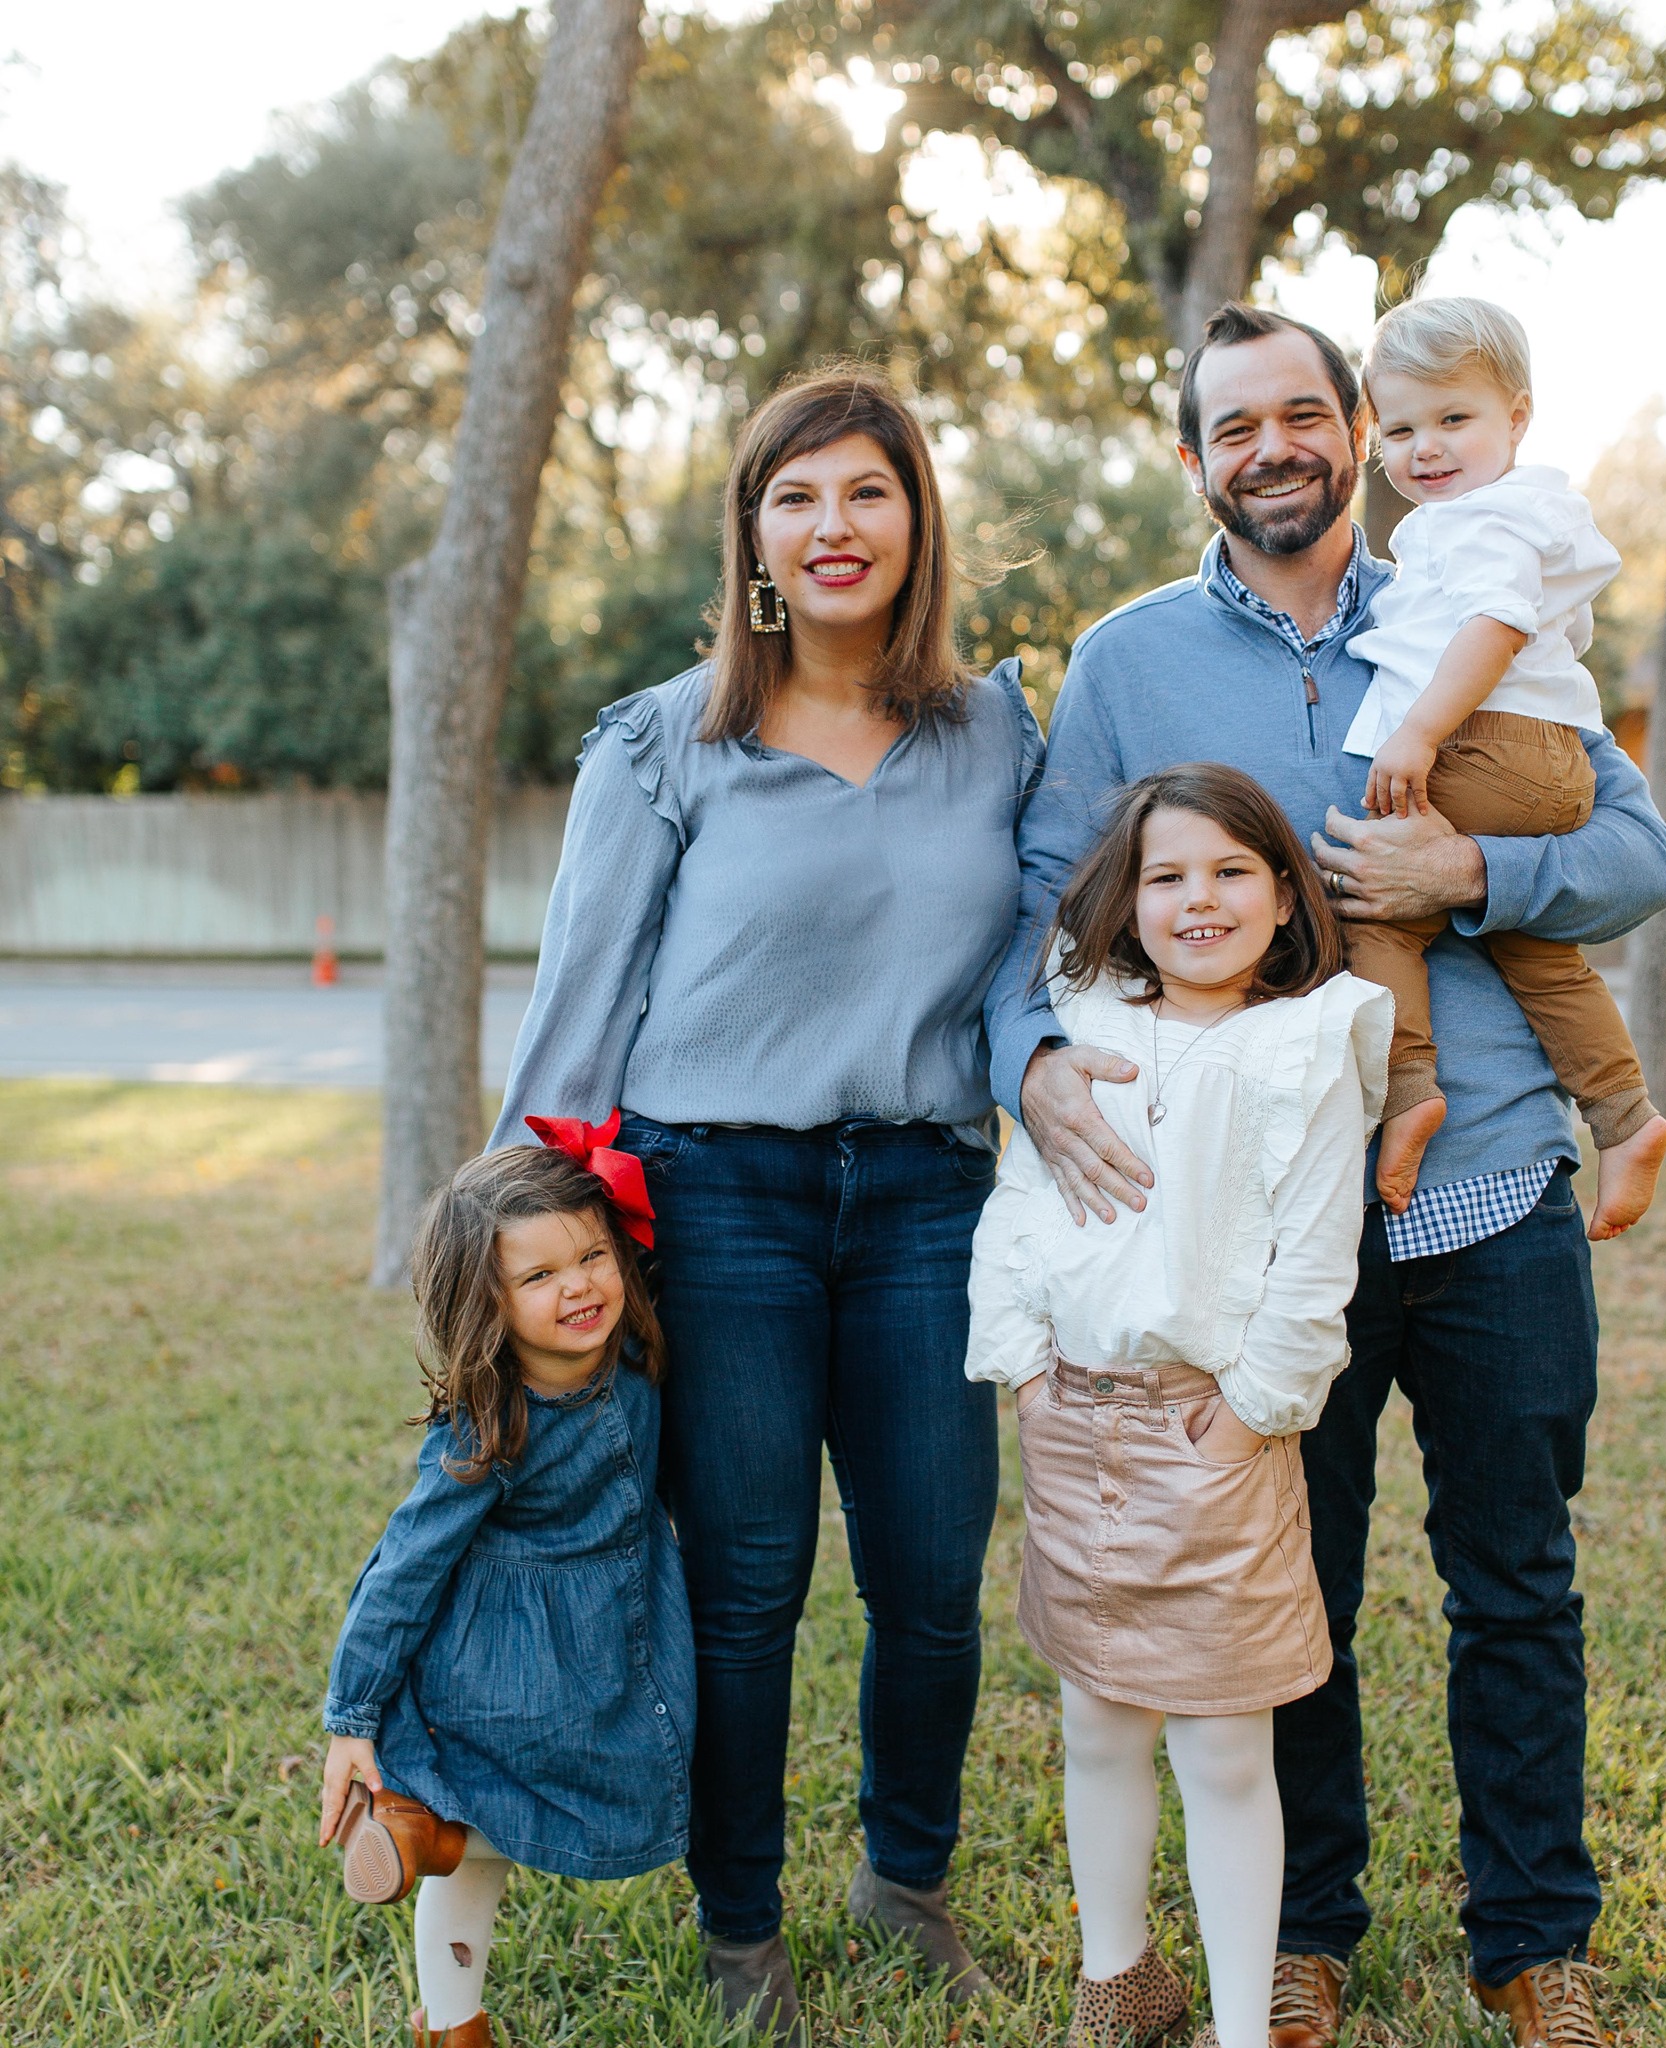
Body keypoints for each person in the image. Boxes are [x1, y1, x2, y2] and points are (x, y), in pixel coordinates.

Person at [985, 302, 1666, 2048]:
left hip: (1494, 1181)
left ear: (1358, 431)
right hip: (1253, 1215)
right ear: (1193, 458)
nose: (1274, 447)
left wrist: (1474, 874)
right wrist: (1031, 1060)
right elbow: (1040, 905)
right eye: (1236, 425)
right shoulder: (1127, 662)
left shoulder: (1472, 595)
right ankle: (1302, 1932)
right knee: (1295, 1583)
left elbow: (1637, 850)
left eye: (1304, 412)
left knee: (1515, 1577)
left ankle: (1534, 1940)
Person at [489, 367, 1042, 2042]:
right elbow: (580, 1003)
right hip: (717, 1193)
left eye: (866, 490)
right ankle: (741, 1925)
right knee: (744, 1584)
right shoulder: (667, 741)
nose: (832, 525)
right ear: (751, 533)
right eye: (794, 496)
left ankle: (907, 1880)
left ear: (917, 518)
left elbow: (1045, 957)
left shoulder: (998, 736)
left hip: (929, 1196)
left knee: (931, 1573)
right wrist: (509, 1233)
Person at [968, 764, 1392, 2048]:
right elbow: (1023, 1204)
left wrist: (1255, 1406)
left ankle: (1238, 2025)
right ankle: (1118, 1980)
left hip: (1213, 1433)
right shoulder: (1083, 1023)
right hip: (1074, 1421)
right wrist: (1025, 1367)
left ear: (1284, 896)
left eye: (1228, 871)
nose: (1196, 898)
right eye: (1165, 875)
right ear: (1126, 897)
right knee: (1097, 1718)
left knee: (1221, 1749)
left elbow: (1315, 1254)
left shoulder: (1306, 1042)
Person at [318, 1135, 688, 2048]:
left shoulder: (635, 1346)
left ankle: (424, 1828)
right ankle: (453, 2016)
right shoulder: (487, 1427)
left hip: (604, 1641)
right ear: (485, 1302)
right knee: (497, 1828)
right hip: (506, 1666)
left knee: (612, 1787)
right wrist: (351, 1715)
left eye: (593, 1256)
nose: (580, 1287)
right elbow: (404, 1566)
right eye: (540, 1276)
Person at [1336, 296, 1666, 1238]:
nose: (1427, 449)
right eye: (1401, 430)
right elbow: (1561, 630)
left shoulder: (1478, 521)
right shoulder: (1531, 516)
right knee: (1541, 957)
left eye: (1454, 418)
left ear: (1517, 417)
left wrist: (1419, 733)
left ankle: (1409, 1094)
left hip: (1482, 745)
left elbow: (1498, 625)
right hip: (1541, 755)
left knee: (1377, 911)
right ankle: (1625, 1116)